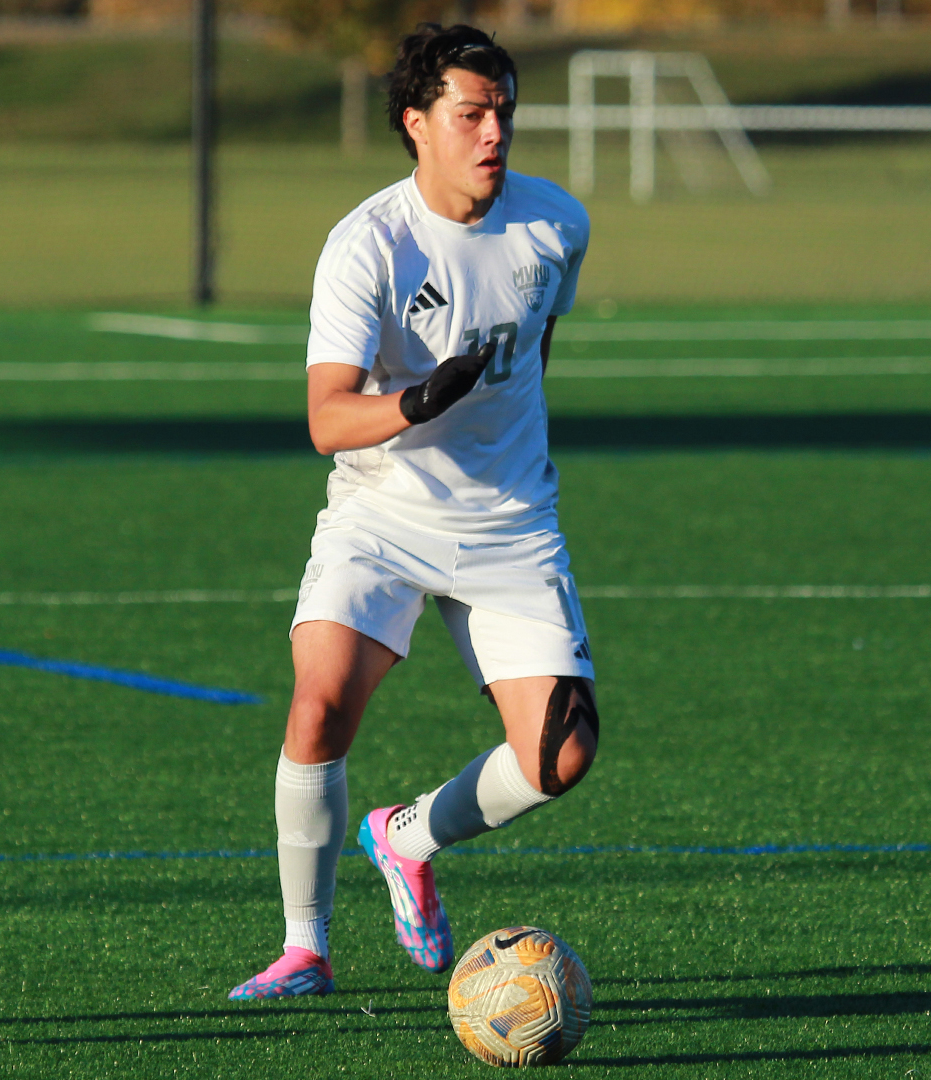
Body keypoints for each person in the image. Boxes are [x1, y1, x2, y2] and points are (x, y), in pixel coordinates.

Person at [228, 24, 598, 1000]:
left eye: (503, 113)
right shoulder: (368, 245)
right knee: (317, 703)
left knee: (561, 757)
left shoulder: (555, 224)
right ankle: (303, 947)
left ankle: (407, 835)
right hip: (382, 514)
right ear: (416, 124)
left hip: (512, 525)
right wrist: (420, 402)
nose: (492, 134)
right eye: (470, 114)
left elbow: (534, 351)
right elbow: (324, 417)